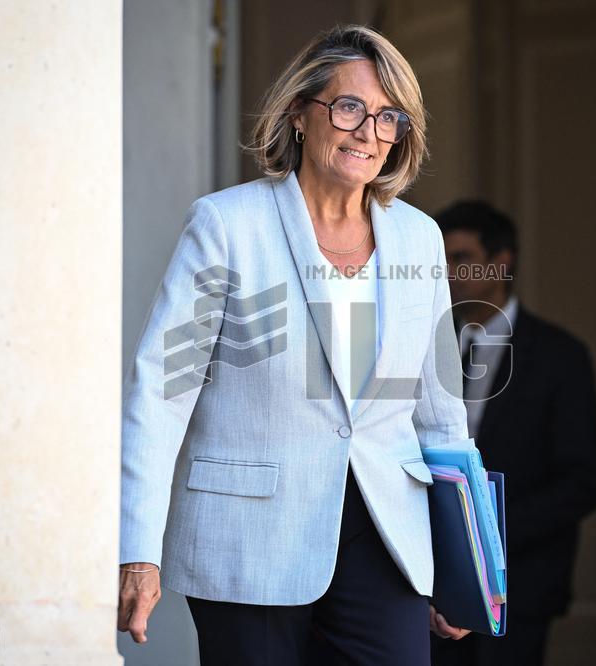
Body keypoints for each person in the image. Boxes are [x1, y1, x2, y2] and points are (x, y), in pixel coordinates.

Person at [117, 25, 480, 665]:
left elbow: (439, 410)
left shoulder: (420, 239)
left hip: (387, 537)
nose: (368, 131)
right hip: (250, 540)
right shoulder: (227, 225)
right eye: (349, 108)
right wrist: (136, 548)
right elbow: (163, 392)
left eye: (388, 117)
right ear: (300, 116)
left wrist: (457, 565)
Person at [430, 201, 596, 666]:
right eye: (441, 261)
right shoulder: (422, 351)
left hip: (522, 584)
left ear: (501, 261)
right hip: (431, 585)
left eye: (461, 258)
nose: (448, 273)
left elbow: (582, 481)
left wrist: (489, 534)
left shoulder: (559, 356)